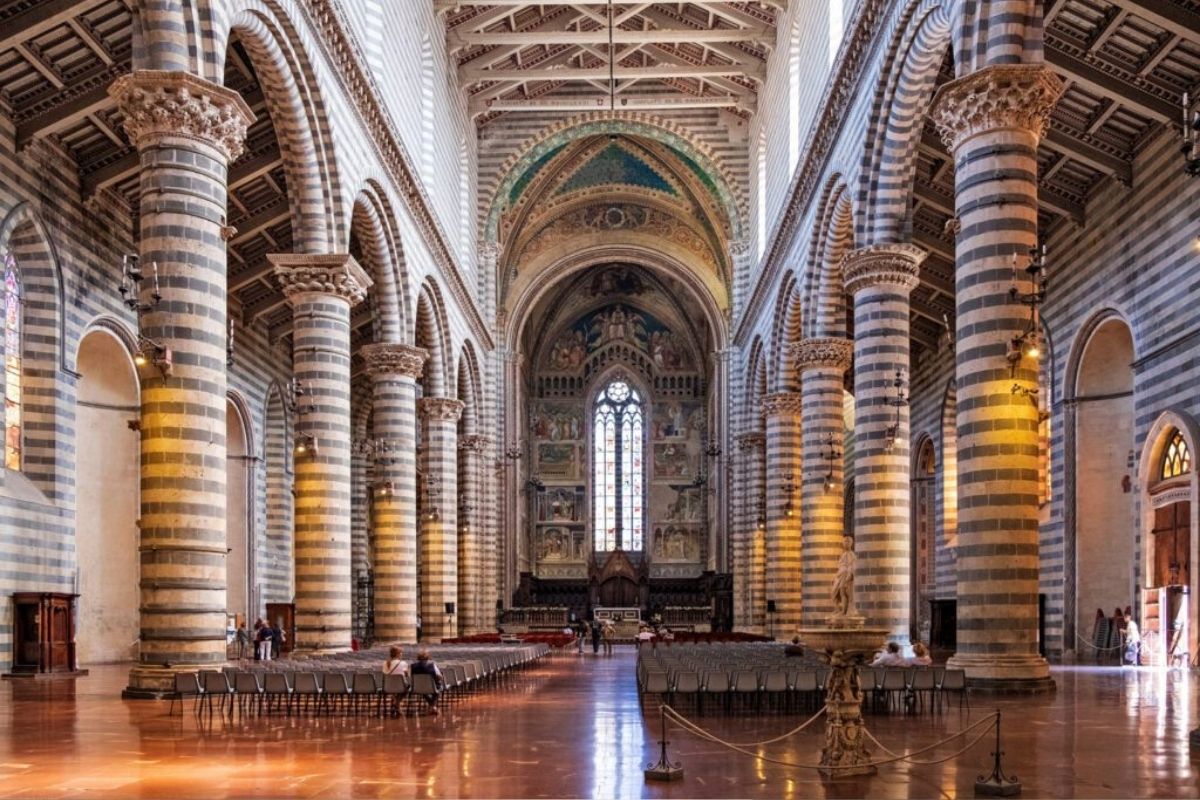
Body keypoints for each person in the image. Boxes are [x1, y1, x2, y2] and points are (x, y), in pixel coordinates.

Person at [410, 649, 444, 716]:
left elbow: (411, 677)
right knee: (439, 688)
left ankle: (432, 705)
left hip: (417, 687)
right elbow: (439, 677)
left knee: (423, 690)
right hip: (431, 687)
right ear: (427, 657)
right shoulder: (432, 665)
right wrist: (440, 677)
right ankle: (433, 706)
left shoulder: (413, 666)